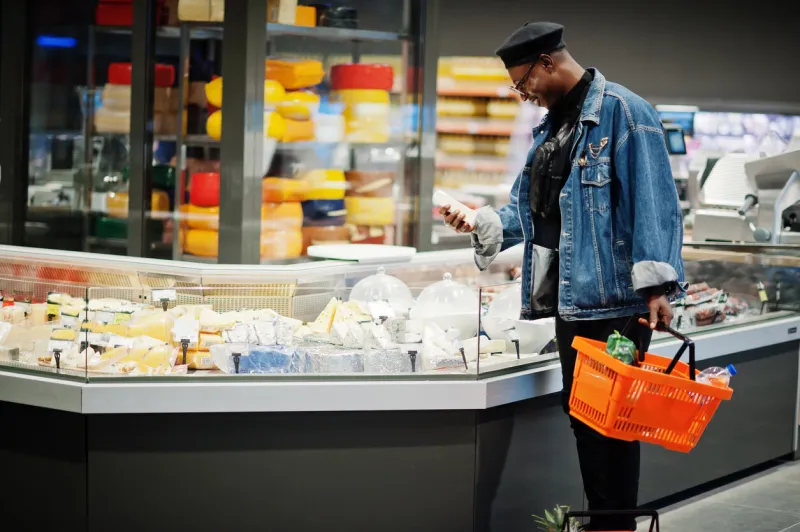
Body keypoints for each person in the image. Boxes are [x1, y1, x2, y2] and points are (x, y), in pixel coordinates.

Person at [440, 21, 684, 532]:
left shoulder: (624, 113)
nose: (523, 94)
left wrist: (658, 287)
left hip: (616, 308)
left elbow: (654, 205)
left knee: (610, 430)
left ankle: (614, 526)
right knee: (587, 426)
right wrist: (480, 220)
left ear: (549, 62)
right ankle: (605, 522)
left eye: (522, 81)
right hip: (570, 306)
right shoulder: (552, 130)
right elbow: (530, 212)